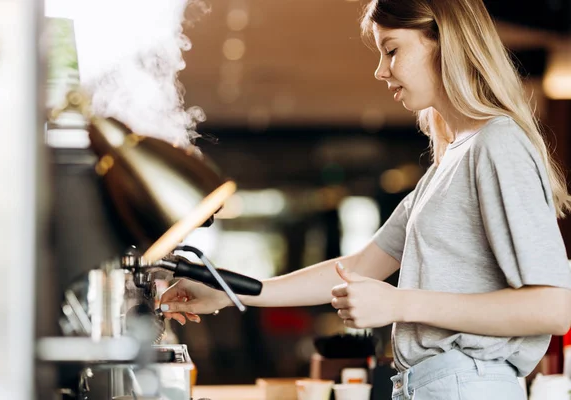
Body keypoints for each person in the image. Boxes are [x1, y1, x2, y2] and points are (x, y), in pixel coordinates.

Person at [159, 0, 571, 398]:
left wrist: (401, 303)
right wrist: (229, 290)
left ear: (443, 40)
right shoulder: (447, 165)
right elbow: (356, 268)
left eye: (391, 50)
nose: (380, 70)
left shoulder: (497, 143)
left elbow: (555, 307)